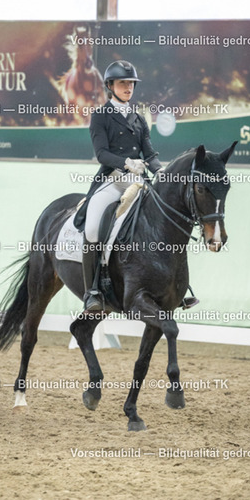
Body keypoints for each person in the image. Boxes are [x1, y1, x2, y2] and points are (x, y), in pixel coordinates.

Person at [74, 59, 198, 313]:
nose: (128, 87)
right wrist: (126, 162)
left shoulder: (139, 118)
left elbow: (149, 154)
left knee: (164, 219)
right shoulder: (100, 116)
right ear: (110, 85)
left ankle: (177, 287)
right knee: (93, 227)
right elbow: (102, 154)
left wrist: (160, 171)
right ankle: (92, 292)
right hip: (111, 179)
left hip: (137, 180)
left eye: (131, 83)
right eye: (123, 83)